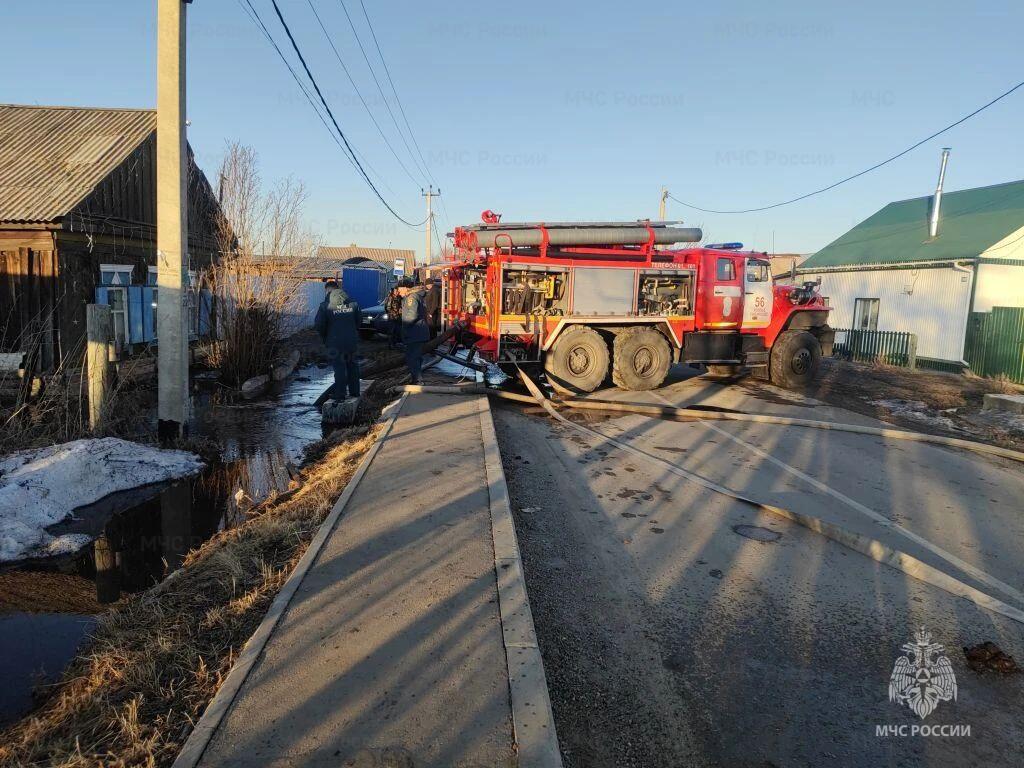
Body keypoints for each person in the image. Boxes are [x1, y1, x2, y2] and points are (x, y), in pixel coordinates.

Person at [314, 280, 361, 401]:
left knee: (339, 368)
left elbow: (319, 325)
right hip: (351, 342)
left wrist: (326, 336)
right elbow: (359, 322)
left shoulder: (325, 306)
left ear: (327, 290)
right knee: (353, 366)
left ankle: (340, 395)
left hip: (334, 343)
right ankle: (355, 392)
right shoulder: (353, 304)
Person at [397, 277, 429, 384]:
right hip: (417, 332)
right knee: (415, 357)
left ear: (406, 288)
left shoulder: (412, 297)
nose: (398, 291)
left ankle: (418, 380)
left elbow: (412, 315)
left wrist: (404, 326)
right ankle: (416, 378)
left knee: (413, 357)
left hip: (415, 332)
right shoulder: (415, 296)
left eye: (400, 289)